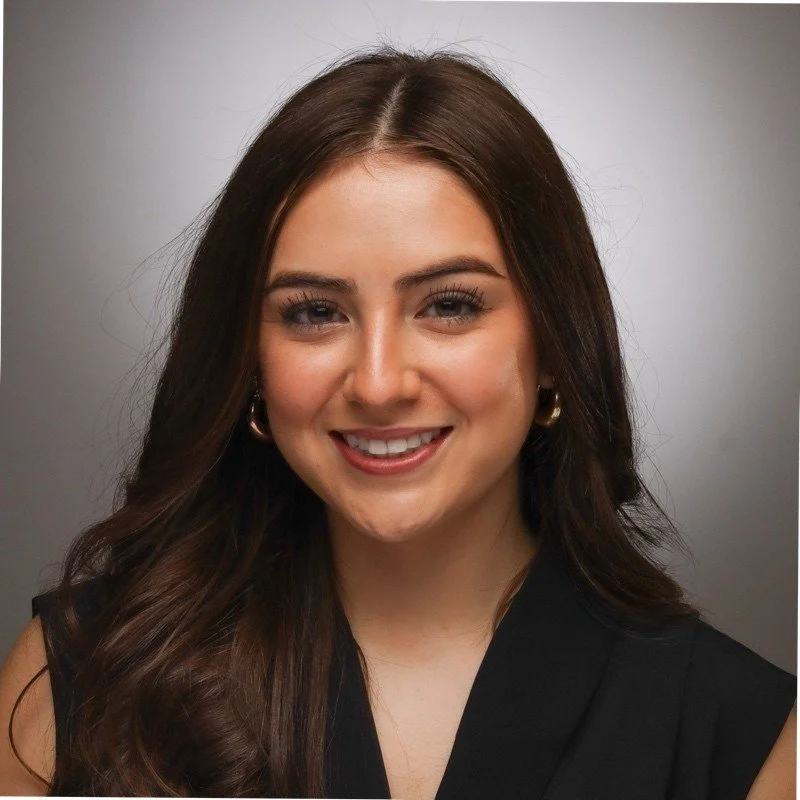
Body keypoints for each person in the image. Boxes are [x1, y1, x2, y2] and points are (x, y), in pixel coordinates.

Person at [0, 45, 795, 799]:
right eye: (315, 312)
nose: (379, 384)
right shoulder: (79, 678)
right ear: (250, 360)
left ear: (555, 343)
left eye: (449, 305)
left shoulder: (743, 734)